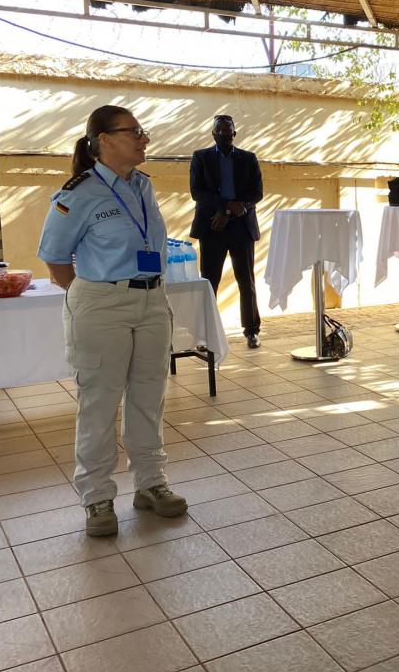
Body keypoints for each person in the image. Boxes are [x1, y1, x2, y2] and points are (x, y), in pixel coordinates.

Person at [38, 105, 188, 537]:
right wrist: (98, 296)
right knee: (100, 402)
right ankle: (97, 497)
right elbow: (55, 260)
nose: (145, 139)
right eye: (134, 132)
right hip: (101, 303)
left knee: (149, 395)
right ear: (104, 140)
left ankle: (151, 483)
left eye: (143, 131)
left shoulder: (142, 185)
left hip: (152, 299)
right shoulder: (78, 193)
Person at [189, 115, 264, 348]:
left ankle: (252, 331)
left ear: (234, 133)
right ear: (213, 134)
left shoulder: (248, 158)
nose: (224, 135)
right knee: (209, 281)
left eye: (228, 131)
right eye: (219, 131)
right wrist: (224, 207)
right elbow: (197, 192)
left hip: (241, 226)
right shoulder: (201, 157)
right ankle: (205, 334)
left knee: (246, 281)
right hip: (212, 226)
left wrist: (229, 212)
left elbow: (256, 193)